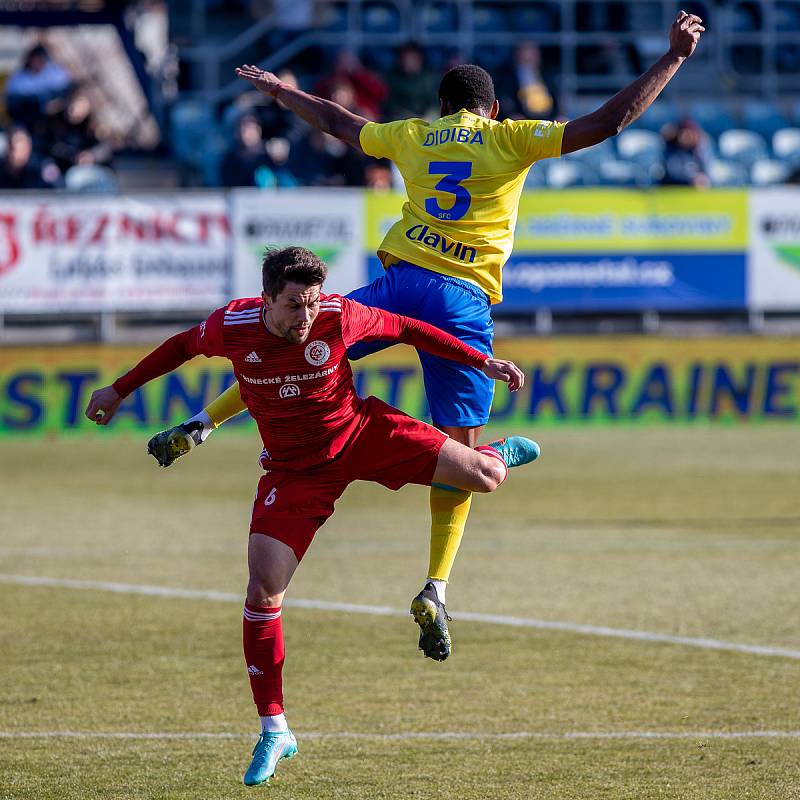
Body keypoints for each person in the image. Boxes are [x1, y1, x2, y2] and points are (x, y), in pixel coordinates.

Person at [149, 11, 705, 663]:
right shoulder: (511, 138)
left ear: (441, 106)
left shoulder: (415, 134)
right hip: (462, 302)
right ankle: (435, 586)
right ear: (492, 109)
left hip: (402, 281)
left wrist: (280, 91)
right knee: (460, 456)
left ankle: (202, 423)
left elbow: (335, 121)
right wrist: (673, 59)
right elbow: (608, 124)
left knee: (294, 343)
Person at [85, 246, 538, 785]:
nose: (306, 317)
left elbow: (411, 329)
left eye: (312, 303)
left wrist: (480, 360)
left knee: (483, 479)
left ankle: (493, 454)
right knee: (262, 591)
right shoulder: (232, 325)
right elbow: (180, 347)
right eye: (295, 306)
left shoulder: (339, 316)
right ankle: (275, 728)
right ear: (267, 300)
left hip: (364, 435)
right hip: (295, 472)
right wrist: (118, 389)